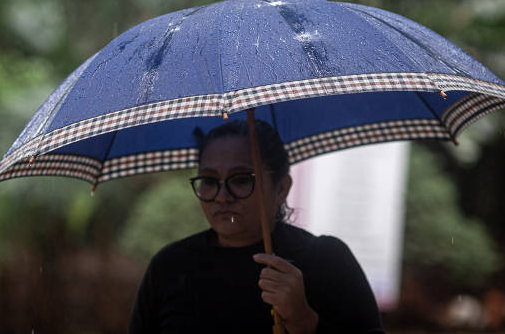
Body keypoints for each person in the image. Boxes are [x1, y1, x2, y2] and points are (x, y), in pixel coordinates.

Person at [128, 119, 386, 334]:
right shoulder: (170, 267)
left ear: (281, 189)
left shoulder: (325, 261)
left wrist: (305, 321)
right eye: (208, 180)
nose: (222, 196)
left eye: (241, 180)